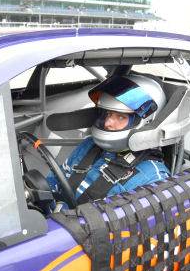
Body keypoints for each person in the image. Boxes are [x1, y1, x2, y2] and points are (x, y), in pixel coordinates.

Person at [47, 74, 170, 211]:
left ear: (146, 122)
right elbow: (57, 179)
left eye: (121, 117)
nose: (107, 123)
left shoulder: (152, 178)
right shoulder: (89, 145)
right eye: (109, 114)